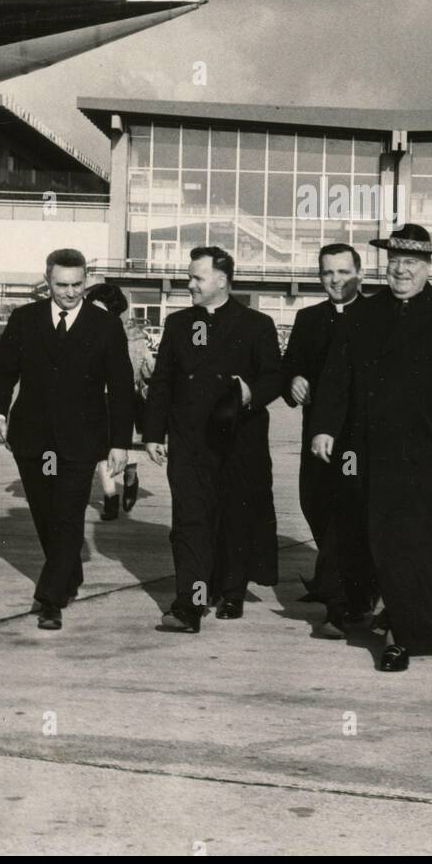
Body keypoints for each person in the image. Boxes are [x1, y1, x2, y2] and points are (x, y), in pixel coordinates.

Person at [311, 224, 432, 673]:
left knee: (424, 543)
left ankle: (410, 628)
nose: (400, 269)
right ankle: (397, 630)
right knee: (387, 542)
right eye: (394, 261)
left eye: (411, 262)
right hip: (373, 451)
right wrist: (324, 427)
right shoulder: (362, 316)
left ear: (428, 268)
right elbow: (337, 378)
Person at [0, 249, 133, 631]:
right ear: (46, 281)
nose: (69, 293)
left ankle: (49, 599)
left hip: (81, 440)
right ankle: (67, 574)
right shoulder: (25, 320)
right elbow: (1, 371)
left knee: (68, 514)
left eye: (77, 285)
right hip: (31, 438)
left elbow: (120, 388)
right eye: (61, 285)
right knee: (47, 515)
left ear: (86, 281)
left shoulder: (104, 326)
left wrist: (120, 443)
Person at [143, 247, 283, 633]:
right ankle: (191, 603)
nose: (189, 284)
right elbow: (163, 383)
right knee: (189, 520)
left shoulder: (257, 324)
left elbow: (275, 376)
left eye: (196, 278)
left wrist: (248, 393)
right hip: (189, 441)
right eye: (190, 277)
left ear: (221, 280)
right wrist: (153, 433)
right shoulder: (177, 324)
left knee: (235, 518)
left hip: (239, 440)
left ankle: (233, 590)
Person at [282, 243, 372, 636]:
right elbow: (290, 368)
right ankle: (346, 586)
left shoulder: (376, 316)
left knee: (346, 515)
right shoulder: (308, 318)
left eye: (342, 272)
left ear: (360, 274)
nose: (334, 280)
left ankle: (341, 602)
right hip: (315, 434)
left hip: (357, 439)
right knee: (315, 504)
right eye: (327, 273)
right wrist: (294, 380)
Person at [84, 283, 154, 520]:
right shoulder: (88, 330)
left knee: (124, 450)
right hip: (96, 399)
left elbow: (147, 369)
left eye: (97, 306)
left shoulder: (134, 337)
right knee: (102, 452)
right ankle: (111, 498)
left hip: (125, 400)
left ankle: (131, 478)